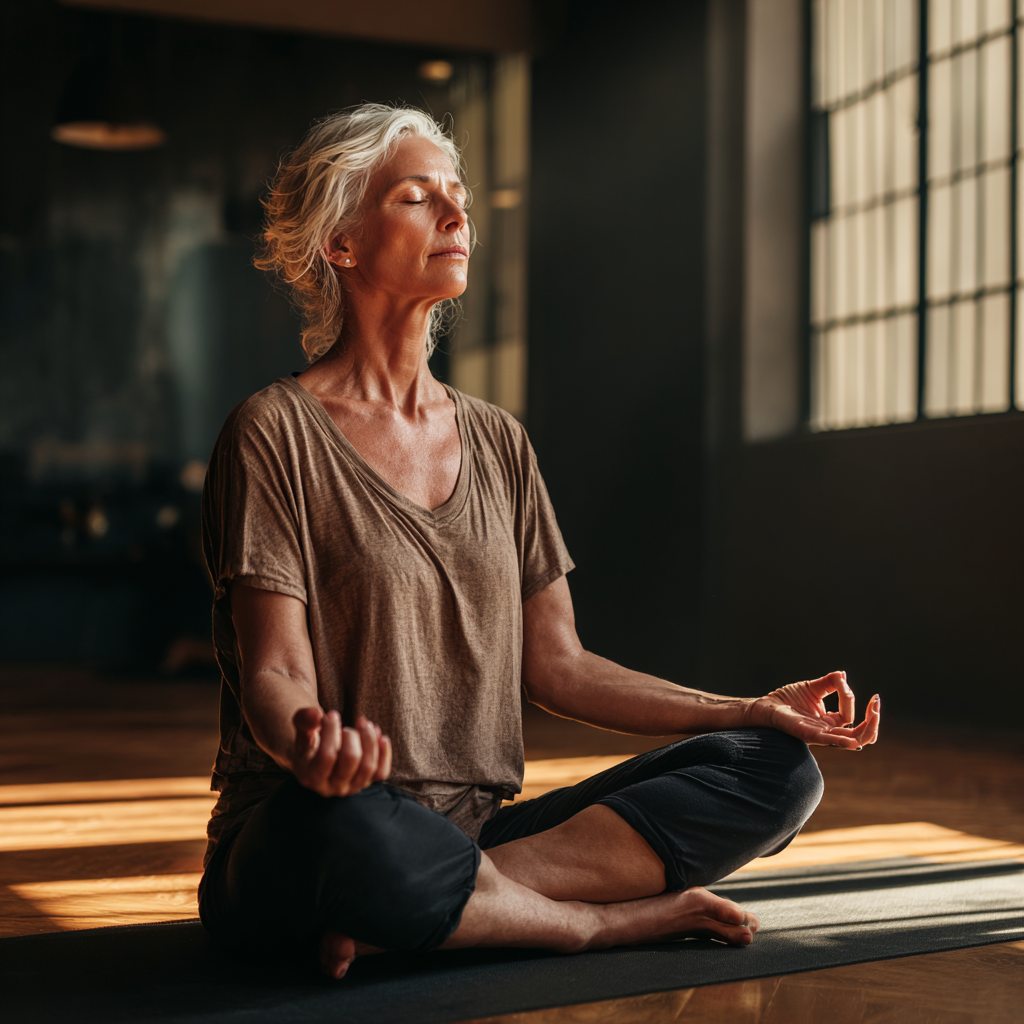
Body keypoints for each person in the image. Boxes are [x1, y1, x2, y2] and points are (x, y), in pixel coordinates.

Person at [198, 104, 880, 979]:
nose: (457, 217)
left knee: (779, 774)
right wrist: (312, 744)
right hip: (321, 825)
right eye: (418, 197)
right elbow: (273, 671)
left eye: (460, 199)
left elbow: (560, 667)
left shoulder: (497, 441)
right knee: (345, 825)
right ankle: (579, 924)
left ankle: (427, 912)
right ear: (342, 242)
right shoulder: (273, 431)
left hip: (468, 832)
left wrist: (749, 710)